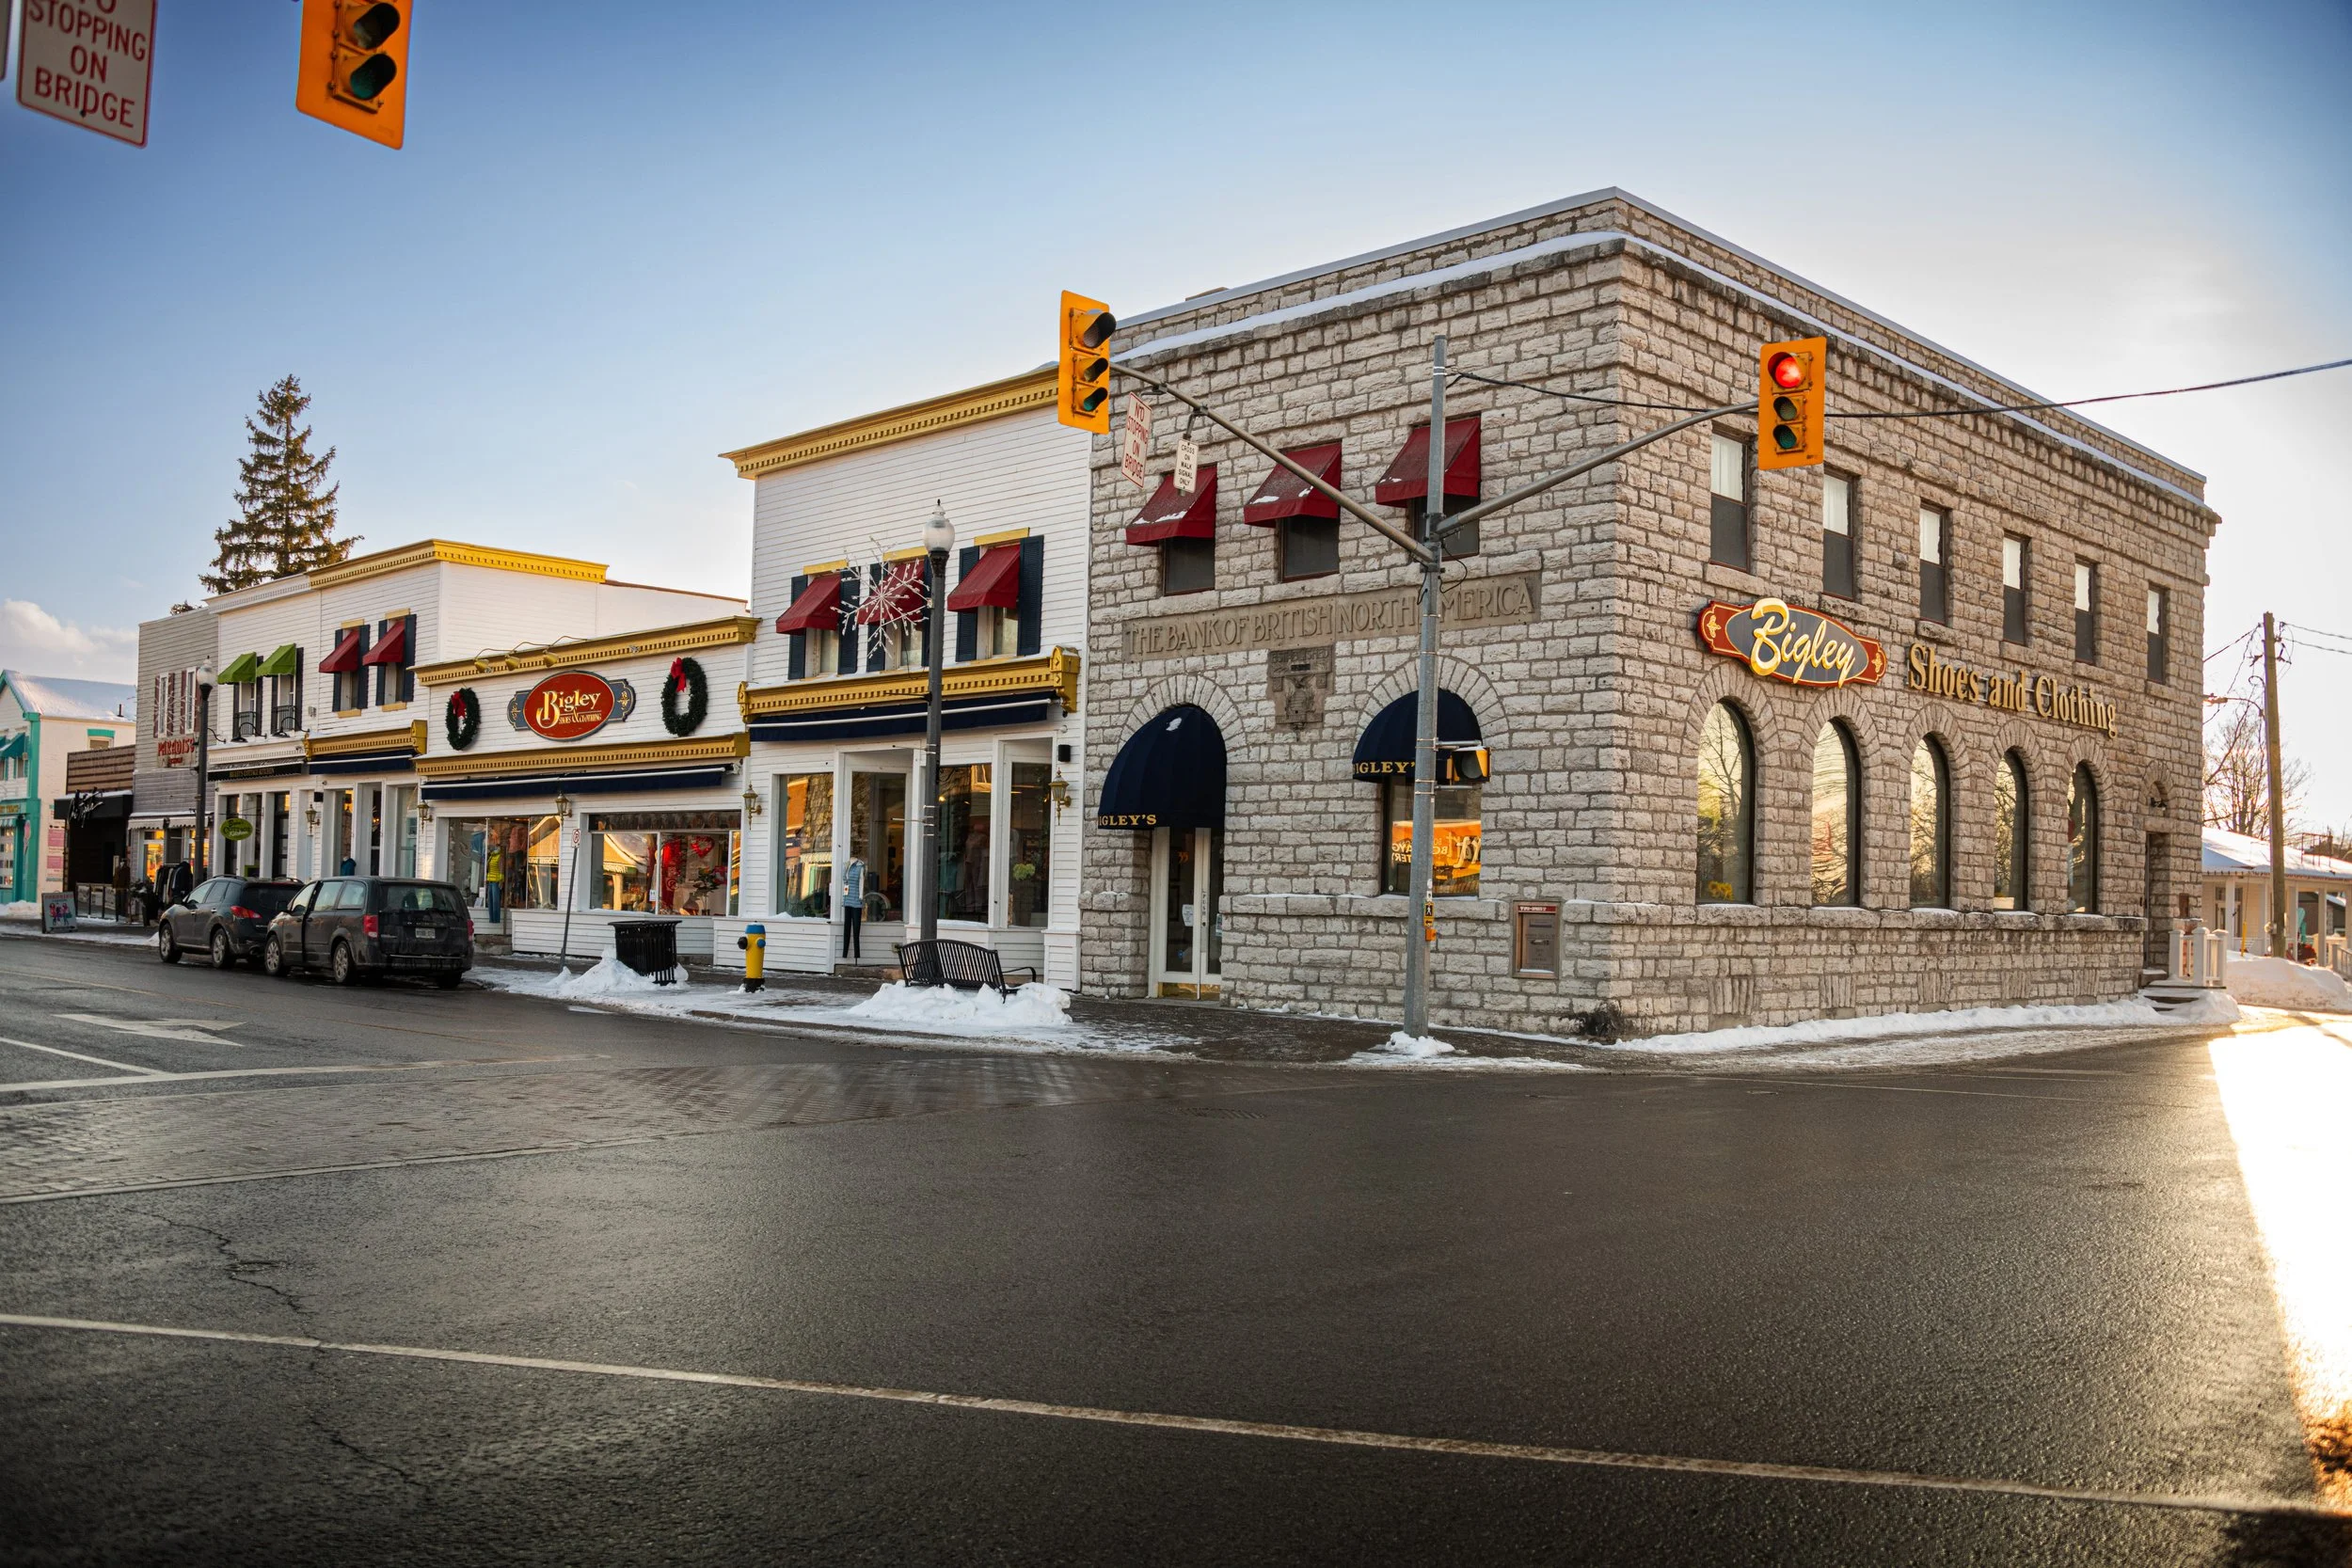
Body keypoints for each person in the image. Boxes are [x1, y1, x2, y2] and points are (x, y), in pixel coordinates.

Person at [839, 854, 866, 960]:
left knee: (856, 929)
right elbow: (845, 882)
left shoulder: (860, 866)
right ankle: (845, 953)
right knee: (847, 928)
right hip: (847, 899)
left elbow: (861, 882)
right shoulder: (845, 865)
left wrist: (860, 896)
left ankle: (857, 954)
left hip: (856, 900)